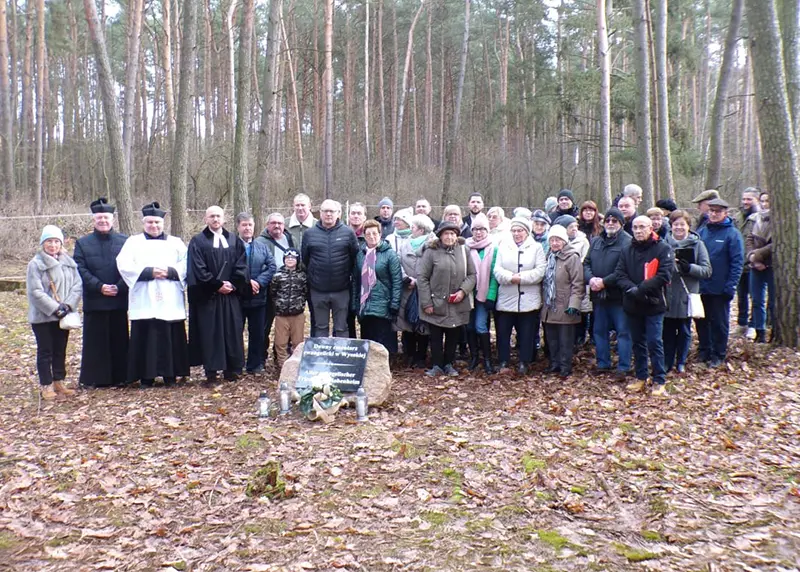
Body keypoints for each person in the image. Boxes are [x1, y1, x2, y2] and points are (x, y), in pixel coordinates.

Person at [117, 202, 189, 388]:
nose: (154, 226)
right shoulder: (133, 242)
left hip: (169, 297)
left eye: (157, 222)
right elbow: (123, 264)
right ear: (143, 223)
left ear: (163, 223)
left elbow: (186, 263)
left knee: (169, 335)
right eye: (150, 222)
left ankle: (170, 375)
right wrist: (149, 272)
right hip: (144, 297)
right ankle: (146, 376)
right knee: (145, 335)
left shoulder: (176, 243)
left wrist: (170, 271)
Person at [187, 206, 250, 384]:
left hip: (230, 296)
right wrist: (216, 285)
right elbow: (198, 268)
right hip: (209, 297)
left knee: (232, 331)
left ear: (224, 219)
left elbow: (242, 265)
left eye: (218, 216)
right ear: (206, 219)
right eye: (212, 216)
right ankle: (211, 372)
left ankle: (231, 369)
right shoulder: (198, 241)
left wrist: (233, 283)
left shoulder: (234, 240)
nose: (215, 219)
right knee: (211, 333)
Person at [73, 198, 129, 388]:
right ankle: (94, 379)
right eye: (99, 218)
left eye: (106, 218)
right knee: (95, 342)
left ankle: (121, 377)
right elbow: (80, 268)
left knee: (119, 340)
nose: (103, 221)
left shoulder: (125, 241)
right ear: (94, 220)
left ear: (112, 219)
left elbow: (130, 267)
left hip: (118, 299)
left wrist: (119, 286)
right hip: (95, 300)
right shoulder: (82, 243)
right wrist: (99, 286)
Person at [615, 216, 673, 396]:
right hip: (632, 303)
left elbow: (664, 275)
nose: (638, 231)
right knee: (637, 342)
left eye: (642, 227)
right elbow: (619, 274)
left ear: (650, 228)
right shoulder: (627, 249)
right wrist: (632, 289)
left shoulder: (663, 248)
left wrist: (641, 289)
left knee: (654, 342)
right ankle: (641, 376)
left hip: (654, 303)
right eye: (635, 227)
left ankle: (659, 379)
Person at [27, 225, 82, 400]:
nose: (53, 245)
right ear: (43, 243)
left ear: (61, 243)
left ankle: (59, 381)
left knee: (60, 349)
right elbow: (35, 292)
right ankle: (46, 385)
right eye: (49, 241)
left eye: (56, 241)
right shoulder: (36, 264)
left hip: (64, 315)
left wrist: (68, 305)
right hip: (43, 317)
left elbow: (77, 285)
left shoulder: (69, 263)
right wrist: (54, 308)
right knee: (46, 351)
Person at [417, 221, 476, 377]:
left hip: (457, 302)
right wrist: (426, 303)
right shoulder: (431, 252)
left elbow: (472, 275)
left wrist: (463, 291)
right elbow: (422, 278)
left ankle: (449, 364)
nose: (449, 237)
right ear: (440, 236)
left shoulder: (464, 250)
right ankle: (437, 365)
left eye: (452, 234)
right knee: (435, 335)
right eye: (446, 234)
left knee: (453, 335)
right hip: (436, 301)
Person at [492, 216, 547, 374]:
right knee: (503, 332)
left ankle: (525, 361)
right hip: (506, 298)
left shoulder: (536, 248)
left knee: (527, 333)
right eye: (514, 230)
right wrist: (510, 278)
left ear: (527, 232)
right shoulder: (503, 246)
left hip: (529, 299)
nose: (516, 233)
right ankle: (503, 360)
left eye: (520, 230)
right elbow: (497, 270)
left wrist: (521, 278)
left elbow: (540, 271)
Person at [584, 207, 633, 380]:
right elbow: (586, 263)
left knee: (623, 332)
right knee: (599, 331)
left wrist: (604, 282)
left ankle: (624, 366)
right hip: (599, 296)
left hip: (619, 296)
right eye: (608, 221)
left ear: (621, 223)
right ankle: (603, 363)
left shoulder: (628, 242)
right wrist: (591, 279)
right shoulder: (596, 241)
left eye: (615, 221)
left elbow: (624, 269)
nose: (610, 224)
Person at [697, 198, 744, 368]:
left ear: (725, 213)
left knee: (719, 323)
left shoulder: (732, 234)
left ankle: (719, 354)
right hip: (701, 286)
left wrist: (731, 285)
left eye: (718, 211)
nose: (714, 214)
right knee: (701, 321)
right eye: (711, 211)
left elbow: (737, 262)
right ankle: (704, 350)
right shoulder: (702, 232)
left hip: (720, 287)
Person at [302, 199, 359, 337]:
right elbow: (305, 259)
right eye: (325, 211)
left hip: (342, 290)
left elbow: (354, 258)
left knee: (341, 328)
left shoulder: (348, 233)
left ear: (338, 213)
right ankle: (321, 351)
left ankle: (341, 351)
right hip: (318, 290)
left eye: (332, 211)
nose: (328, 214)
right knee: (320, 327)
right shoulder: (309, 234)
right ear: (320, 213)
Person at [663, 210, 712, 373]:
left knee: (684, 330)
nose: (679, 227)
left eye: (682, 224)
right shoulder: (663, 244)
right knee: (667, 330)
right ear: (671, 226)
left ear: (688, 226)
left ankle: (681, 361)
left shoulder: (697, 244)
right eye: (675, 224)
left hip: (687, 293)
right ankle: (667, 361)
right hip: (668, 293)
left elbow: (707, 270)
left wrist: (689, 267)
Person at [351, 220, 403, 348]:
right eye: (368, 234)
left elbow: (397, 281)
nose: (372, 236)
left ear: (380, 234)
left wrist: (395, 303)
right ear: (364, 235)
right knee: (368, 343)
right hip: (365, 306)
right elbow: (356, 281)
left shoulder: (390, 254)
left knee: (383, 343)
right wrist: (354, 303)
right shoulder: (360, 255)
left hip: (383, 305)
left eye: (374, 233)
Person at [540, 224, 584, 378]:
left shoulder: (572, 257)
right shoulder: (548, 257)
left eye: (558, 240)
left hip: (565, 304)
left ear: (564, 241)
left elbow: (578, 283)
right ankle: (554, 363)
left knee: (565, 340)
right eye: (552, 240)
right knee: (551, 338)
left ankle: (565, 366)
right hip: (549, 305)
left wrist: (574, 304)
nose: (554, 243)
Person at [237, 212, 276, 374]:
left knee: (258, 332)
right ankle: (236, 365)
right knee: (236, 332)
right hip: (237, 298)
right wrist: (246, 282)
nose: (247, 228)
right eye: (244, 225)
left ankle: (255, 364)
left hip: (259, 297)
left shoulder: (262, 247)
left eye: (250, 225)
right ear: (238, 227)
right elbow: (230, 268)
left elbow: (271, 266)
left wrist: (258, 282)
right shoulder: (232, 246)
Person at [395, 214, 436, 368]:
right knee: (407, 322)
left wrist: (418, 282)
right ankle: (409, 355)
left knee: (423, 324)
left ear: (421, 229)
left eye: (413, 227)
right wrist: (406, 279)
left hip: (425, 291)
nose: (410, 229)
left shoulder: (433, 244)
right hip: (407, 289)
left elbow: (435, 268)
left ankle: (421, 356)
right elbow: (397, 262)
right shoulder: (405, 244)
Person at [256, 212, 295, 362]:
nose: (277, 226)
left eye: (280, 223)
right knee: (264, 325)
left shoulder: (290, 239)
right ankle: (260, 357)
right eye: (273, 223)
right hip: (268, 289)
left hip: (287, 290)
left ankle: (281, 356)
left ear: (284, 225)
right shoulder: (260, 242)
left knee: (286, 325)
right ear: (267, 225)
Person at [464, 214, 499, 373]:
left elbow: (494, 275)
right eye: (476, 229)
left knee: (480, 325)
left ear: (487, 230)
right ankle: (474, 357)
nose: (478, 232)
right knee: (469, 326)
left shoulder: (493, 248)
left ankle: (487, 359)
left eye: (482, 229)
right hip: (468, 293)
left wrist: (491, 296)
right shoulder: (466, 247)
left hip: (484, 294)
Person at [269, 249, 308, 369]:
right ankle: (283, 366)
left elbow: (305, 292)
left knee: (297, 342)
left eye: (293, 258)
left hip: (297, 314)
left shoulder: (302, 276)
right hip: (281, 315)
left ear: (297, 260)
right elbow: (272, 292)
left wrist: (300, 304)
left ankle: (295, 366)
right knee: (280, 342)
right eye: (287, 258)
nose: (290, 260)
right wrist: (278, 305)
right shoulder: (277, 276)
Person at [746, 191, 773, 343]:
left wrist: (757, 255)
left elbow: (775, 244)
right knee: (757, 300)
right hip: (755, 265)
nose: (764, 204)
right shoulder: (755, 219)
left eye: (767, 201)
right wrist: (752, 257)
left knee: (774, 301)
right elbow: (749, 239)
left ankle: (774, 330)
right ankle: (759, 331)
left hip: (772, 264)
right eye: (762, 201)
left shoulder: (781, 221)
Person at [735, 187, 761, 339]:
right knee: (741, 296)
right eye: (744, 198)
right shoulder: (737, 217)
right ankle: (742, 324)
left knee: (755, 297)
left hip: (754, 263)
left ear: (756, 200)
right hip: (740, 263)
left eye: (749, 199)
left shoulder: (760, 217)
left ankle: (754, 325)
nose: (745, 202)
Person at [346, 202, 368, 338]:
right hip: (345, 285)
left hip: (364, 285)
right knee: (346, 321)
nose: (355, 216)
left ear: (364, 216)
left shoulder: (370, 236)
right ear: (348, 216)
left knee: (366, 321)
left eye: (359, 213)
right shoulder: (342, 234)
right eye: (353, 213)